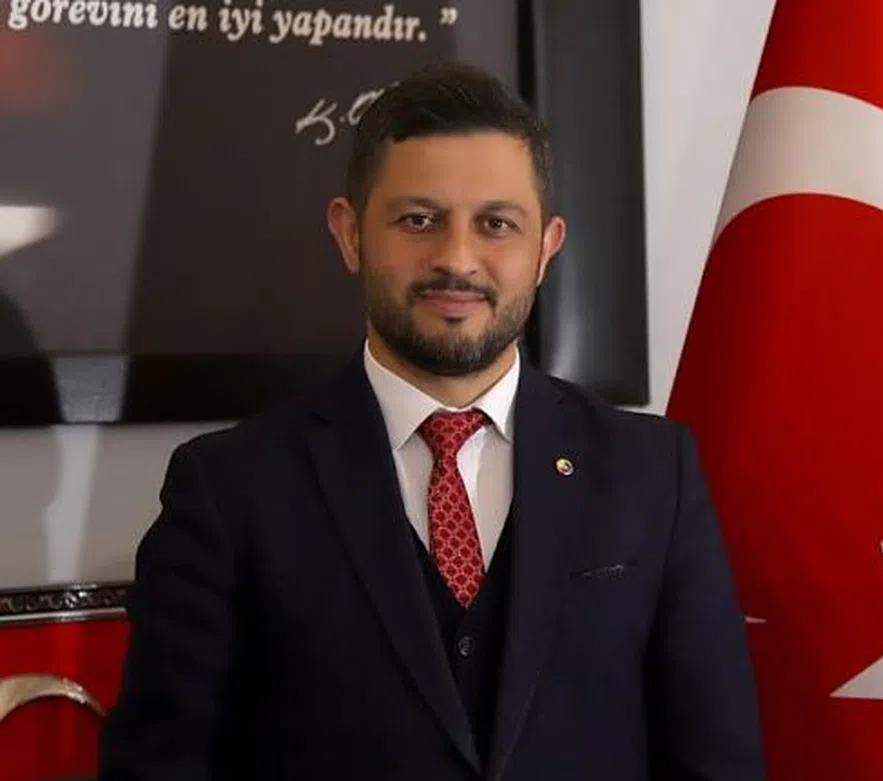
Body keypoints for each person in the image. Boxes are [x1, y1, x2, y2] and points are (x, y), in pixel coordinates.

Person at [97, 62, 765, 780]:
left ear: (546, 247)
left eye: (496, 224)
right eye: (418, 220)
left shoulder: (652, 473)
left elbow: (717, 762)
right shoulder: (228, 489)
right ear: (350, 234)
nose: (457, 259)